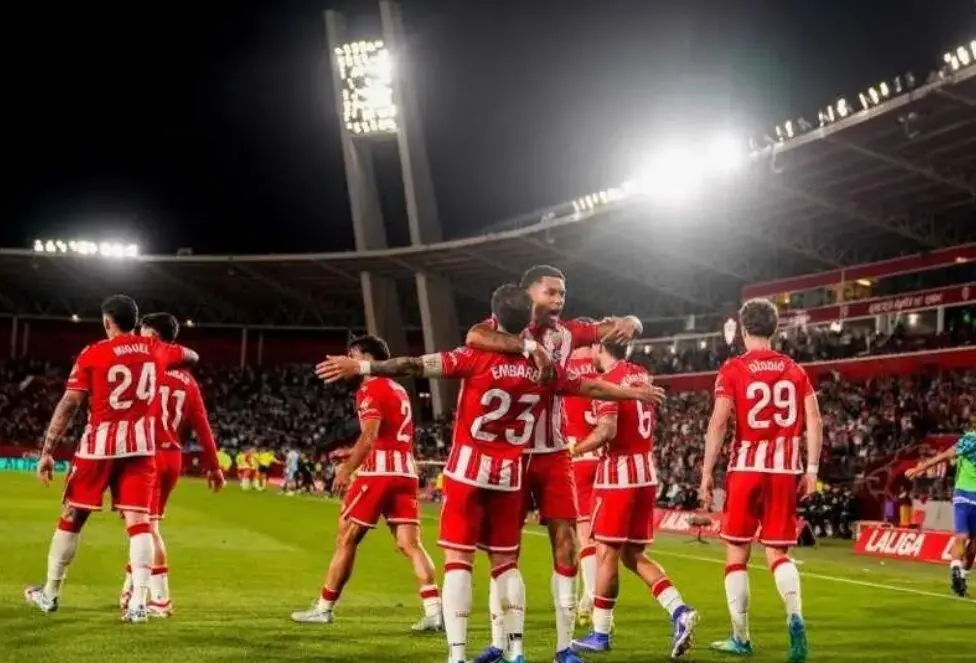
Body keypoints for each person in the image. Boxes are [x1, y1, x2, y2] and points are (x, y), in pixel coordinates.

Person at [315, 284, 664, 663]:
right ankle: (516, 650)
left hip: (468, 468)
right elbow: (588, 386)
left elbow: (414, 365)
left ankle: (458, 655)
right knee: (506, 563)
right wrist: (633, 393)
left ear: (495, 320)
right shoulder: (542, 372)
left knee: (459, 561)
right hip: (509, 471)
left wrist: (363, 367)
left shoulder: (474, 357)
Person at [464, 265, 643, 663]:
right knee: (504, 551)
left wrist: (632, 321)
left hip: (554, 451)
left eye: (562, 293)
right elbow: (474, 335)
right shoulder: (502, 328)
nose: (559, 300)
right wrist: (528, 347)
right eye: (551, 293)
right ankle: (500, 643)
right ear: (528, 293)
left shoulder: (568, 332)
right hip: (510, 454)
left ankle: (563, 647)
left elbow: (615, 326)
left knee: (567, 543)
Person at [24, 294, 199, 623]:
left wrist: (47, 451)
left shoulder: (93, 353)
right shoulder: (156, 349)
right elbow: (192, 355)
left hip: (99, 448)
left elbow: (69, 404)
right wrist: (162, 354)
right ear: (135, 322)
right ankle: (138, 605)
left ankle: (50, 593)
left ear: (107, 322)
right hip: (141, 449)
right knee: (140, 524)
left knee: (72, 516)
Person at [291, 334, 444, 632]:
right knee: (410, 544)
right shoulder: (398, 389)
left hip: (378, 474)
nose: (348, 360)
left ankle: (323, 608)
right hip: (405, 472)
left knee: (346, 538)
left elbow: (371, 435)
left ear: (369, 358)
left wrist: (347, 469)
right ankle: (434, 612)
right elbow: (388, 436)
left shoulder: (370, 387)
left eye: (353, 354)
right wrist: (351, 452)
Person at [700, 298, 822, 663]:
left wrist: (706, 472)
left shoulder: (733, 368)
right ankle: (795, 615)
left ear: (742, 328)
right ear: (775, 328)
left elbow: (719, 422)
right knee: (777, 554)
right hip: (785, 471)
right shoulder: (795, 370)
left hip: (746, 468)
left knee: (737, 554)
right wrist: (811, 470)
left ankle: (741, 637)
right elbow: (814, 420)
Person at [570, 341, 699, 659]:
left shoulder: (609, 382)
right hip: (646, 473)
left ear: (601, 346)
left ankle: (600, 633)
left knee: (606, 555)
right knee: (632, 555)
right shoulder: (640, 374)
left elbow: (606, 430)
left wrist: (574, 449)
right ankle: (679, 611)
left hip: (618, 476)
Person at [118, 312, 225, 617]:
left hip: (146, 455)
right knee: (141, 526)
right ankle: (129, 588)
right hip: (172, 457)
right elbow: (202, 426)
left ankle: (161, 600)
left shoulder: (145, 370)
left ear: (153, 336)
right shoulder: (188, 381)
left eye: (143, 333)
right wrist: (214, 467)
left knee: (145, 529)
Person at [906, 430, 976, 597]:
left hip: (963, 494)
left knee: (961, 537)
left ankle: (956, 567)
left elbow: (945, 455)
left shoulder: (971, 439)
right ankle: (962, 575)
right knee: (974, 542)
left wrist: (919, 468)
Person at [561, 340, 601, 626]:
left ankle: (591, 598)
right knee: (603, 539)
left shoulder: (565, 371)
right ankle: (591, 597)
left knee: (583, 536)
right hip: (605, 460)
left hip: (577, 458)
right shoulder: (603, 371)